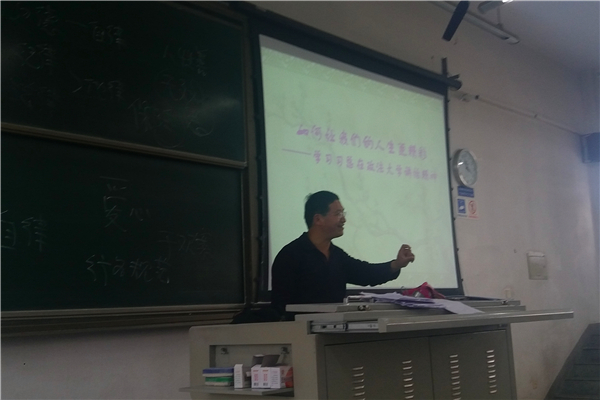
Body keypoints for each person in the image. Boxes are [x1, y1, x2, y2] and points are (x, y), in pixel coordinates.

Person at [271, 190, 415, 318]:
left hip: (333, 330)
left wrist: (397, 264)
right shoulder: (290, 255)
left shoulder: (337, 255)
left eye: (343, 213)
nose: (344, 219)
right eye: (338, 214)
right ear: (318, 219)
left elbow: (365, 273)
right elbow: (281, 308)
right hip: (298, 333)